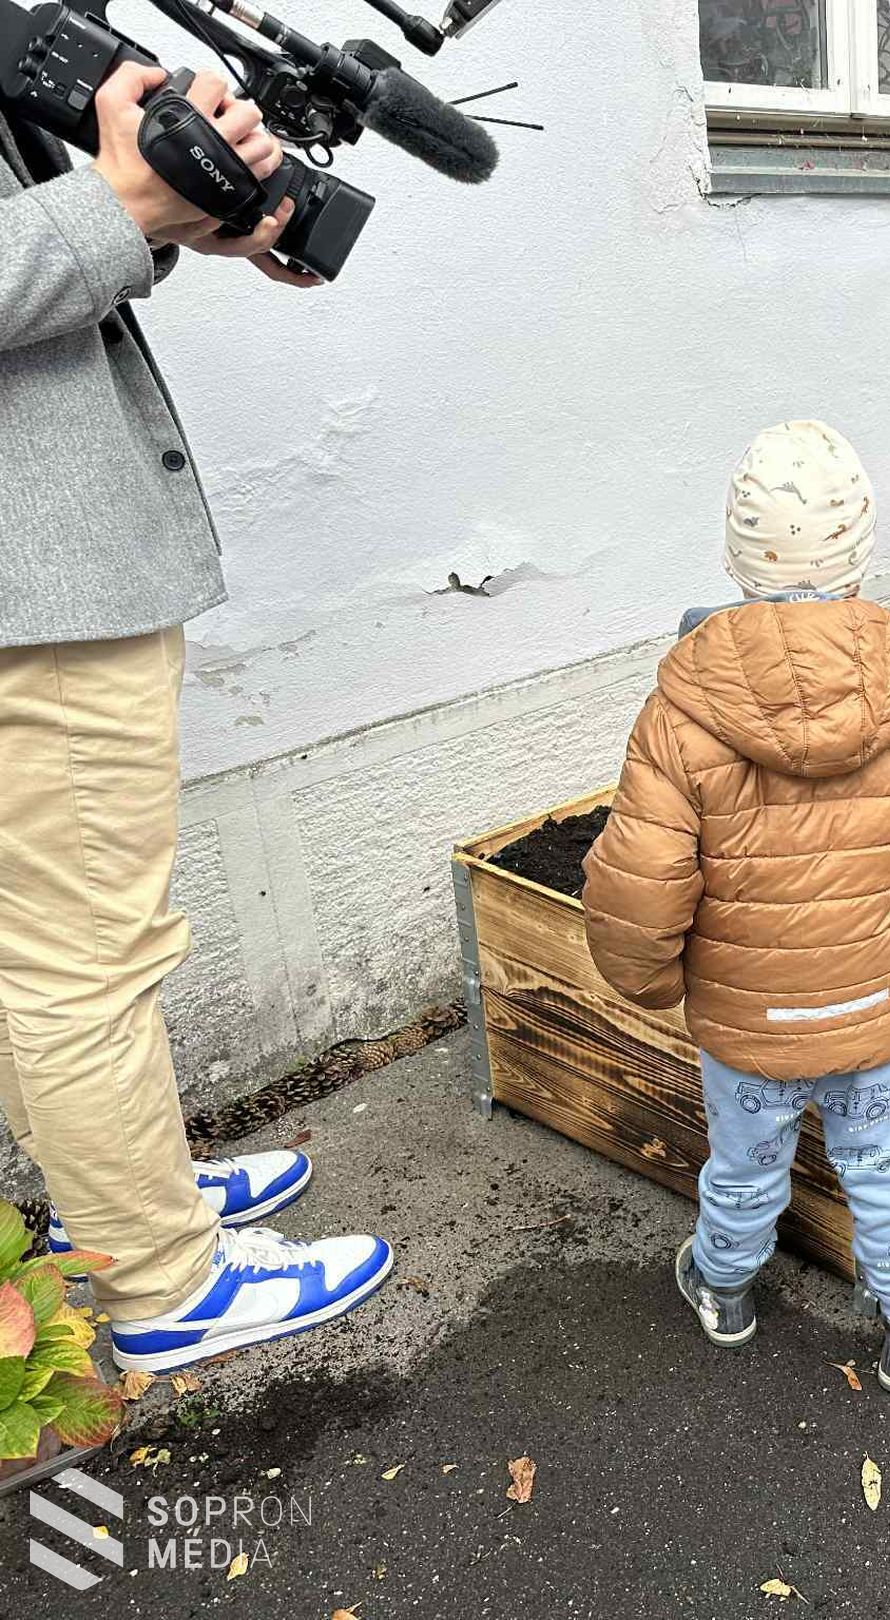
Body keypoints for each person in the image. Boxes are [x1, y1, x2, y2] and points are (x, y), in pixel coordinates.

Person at [0, 67, 394, 1479]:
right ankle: (165, 1286)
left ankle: (115, 1203)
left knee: (49, 951)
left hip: (48, 587)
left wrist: (160, 220)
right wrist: (118, 206)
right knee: (86, 965)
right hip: (35, 600)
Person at [580, 420, 890, 1395]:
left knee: (746, 1167)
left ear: (735, 555)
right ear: (861, 551)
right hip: (876, 1011)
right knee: (886, 1175)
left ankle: (721, 1288)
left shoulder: (683, 706)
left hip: (747, 1020)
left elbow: (639, 886)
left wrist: (646, 984)